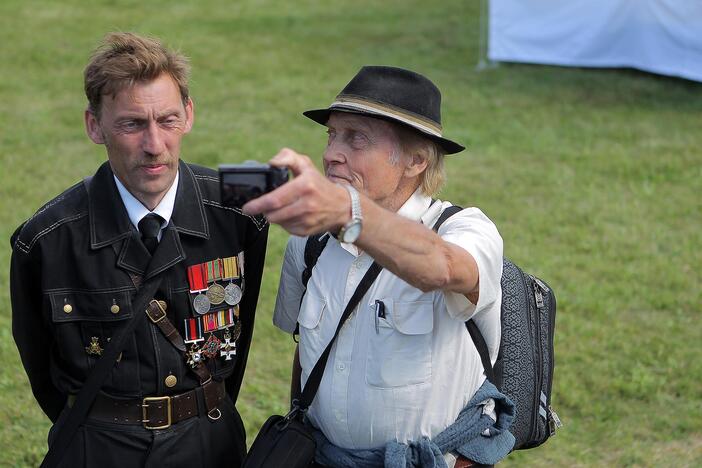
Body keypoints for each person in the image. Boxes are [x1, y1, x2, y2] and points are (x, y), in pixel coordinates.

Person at [10, 32, 268, 467]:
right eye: (132, 124)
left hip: (209, 440)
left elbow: (326, 190)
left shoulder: (242, 201)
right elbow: (42, 368)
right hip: (99, 448)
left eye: (167, 120)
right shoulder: (45, 238)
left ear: (189, 115)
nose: (154, 146)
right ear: (94, 125)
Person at [243, 66, 515, 467]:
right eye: (332, 135)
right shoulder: (312, 240)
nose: (331, 153)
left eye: (356, 139)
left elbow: (442, 266)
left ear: (416, 160)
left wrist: (349, 214)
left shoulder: (465, 228)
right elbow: (306, 354)